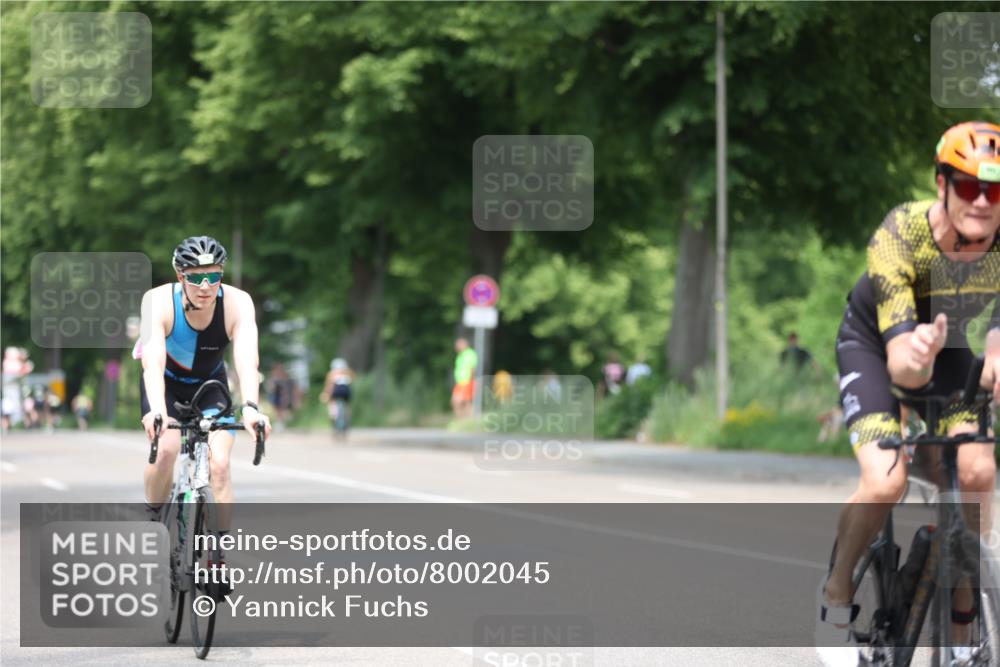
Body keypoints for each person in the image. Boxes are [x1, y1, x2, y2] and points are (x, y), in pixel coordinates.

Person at [816, 121, 1000, 666]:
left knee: (977, 472)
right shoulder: (900, 232)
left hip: (951, 352)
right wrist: (915, 360)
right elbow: (904, 366)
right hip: (879, 346)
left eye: (996, 191)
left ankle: (963, 629)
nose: (982, 201)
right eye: (969, 186)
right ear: (942, 183)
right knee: (884, 481)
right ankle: (836, 595)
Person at [137, 236, 271, 585]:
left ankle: (217, 559)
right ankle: (153, 520)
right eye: (196, 277)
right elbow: (152, 363)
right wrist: (157, 411)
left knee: (220, 465)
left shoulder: (238, 303)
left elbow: (247, 361)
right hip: (166, 386)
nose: (206, 286)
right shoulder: (157, 301)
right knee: (166, 451)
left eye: (214, 276)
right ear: (180, 276)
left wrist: (251, 408)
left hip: (210, 387)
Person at [320, 358, 354, 435]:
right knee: (346, 406)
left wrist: (327, 394)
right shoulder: (348, 372)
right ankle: (347, 421)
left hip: (336, 394)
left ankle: (334, 424)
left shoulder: (331, 374)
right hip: (346, 394)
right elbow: (352, 382)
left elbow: (329, 386)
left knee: (332, 407)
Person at [451, 337, 478, 419]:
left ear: (464, 344)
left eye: (458, 344)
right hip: (461, 382)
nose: (456, 347)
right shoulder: (460, 355)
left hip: (467, 382)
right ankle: (466, 420)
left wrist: (472, 382)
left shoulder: (469, 354)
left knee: (457, 401)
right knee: (465, 402)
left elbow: (472, 368)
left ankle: (464, 420)